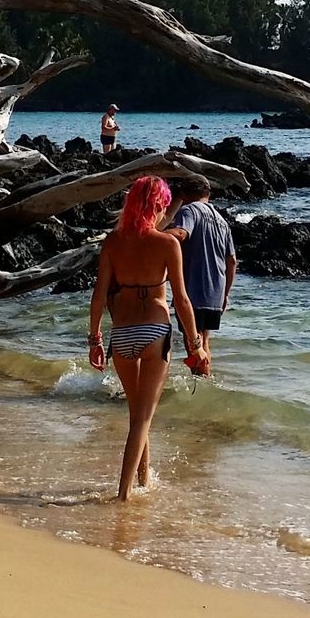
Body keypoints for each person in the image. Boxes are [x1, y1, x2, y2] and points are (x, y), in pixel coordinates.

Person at [87, 176, 210, 501]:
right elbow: (182, 300)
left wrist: (95, 339)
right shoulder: (168, 244)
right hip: (156, 331)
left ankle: (144, 481)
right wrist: (196, 344)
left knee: (137, 413)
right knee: (143, 418)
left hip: (122, 334)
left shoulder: (113, 242)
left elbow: (98, 296)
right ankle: (124, 493)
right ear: (158, 206)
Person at [165, 176, 236, 357]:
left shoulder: (189, 210)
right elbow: (232, 261)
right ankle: (204, 380)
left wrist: (151, 234)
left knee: (193, 343)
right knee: (204, 341)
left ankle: (199, 380)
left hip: (194, 290)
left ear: (184, 194)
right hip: (216, 292)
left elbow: (181, 233)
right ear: (207, 194)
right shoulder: (222, 221)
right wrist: (226, 294)